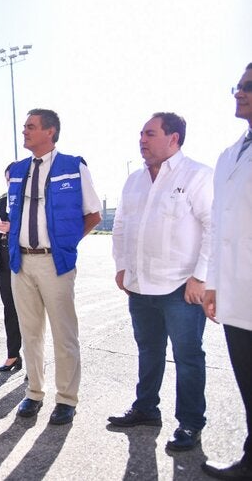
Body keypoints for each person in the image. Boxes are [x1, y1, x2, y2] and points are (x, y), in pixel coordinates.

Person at [108, 112, 213, 452]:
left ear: (173, 139)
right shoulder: (134, 181)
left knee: (187, 356)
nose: (142, 140)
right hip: (140, 287)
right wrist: (122, 265)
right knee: (148, 350)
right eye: (140, 134)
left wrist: (201, 277)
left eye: (150, 134)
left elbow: (215, 226)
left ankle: (190, 423)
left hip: (180, 288)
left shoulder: (197, 175)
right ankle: (146, 409)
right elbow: (121, 225)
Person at [0, 108, 101, 425]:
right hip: (21, 261)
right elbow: (17, 215)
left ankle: (66, 399)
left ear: (50, 132)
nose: (24, 131)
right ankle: (34, 393)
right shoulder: (16, 170)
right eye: (24, 126)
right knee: (30, 333)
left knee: (64, 334)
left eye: (31, 126)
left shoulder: (73, 166)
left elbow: (93, 214)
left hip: (56, 262)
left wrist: (66, 244)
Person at [201, 64, 252, 479]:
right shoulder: (227, 155)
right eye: (238, 85)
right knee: (249, 384)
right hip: (238, 292)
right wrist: (213, 285)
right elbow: (218, 225)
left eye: (249, 87)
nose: (240, 93)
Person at [0, 163, 22, 373]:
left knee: (30, 312)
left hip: (25, 262)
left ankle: (35, 362)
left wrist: (13, 229)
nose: (11, 183)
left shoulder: (28, 203)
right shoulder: (0, 203)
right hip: (4, 264)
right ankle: (12, 355)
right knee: (10, 309)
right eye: (8, 179)